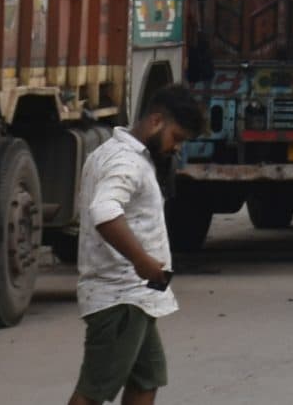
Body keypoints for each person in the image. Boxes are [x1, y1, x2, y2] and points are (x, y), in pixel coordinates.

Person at [70, 84, 205, 405]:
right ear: (156, 121)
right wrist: (141, 260)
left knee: (148, 379)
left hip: (136, 298)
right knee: (94, 392)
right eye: (177, 138)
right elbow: (104, 211)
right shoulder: (126, 162)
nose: (176, 148)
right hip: (119, 298)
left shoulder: (113, 153)